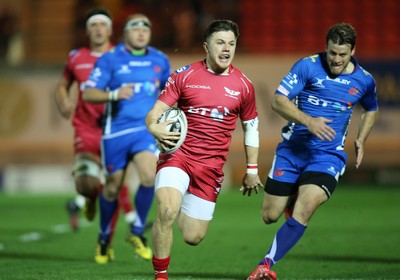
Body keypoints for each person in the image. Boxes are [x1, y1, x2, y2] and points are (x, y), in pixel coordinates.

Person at [247, 22, 379, 280]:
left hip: (327, 157)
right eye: (332, 53)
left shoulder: (364, 80)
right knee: (269, 216)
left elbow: (371, 108)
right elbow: (277, 101)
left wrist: (362, 138)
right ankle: (292, 196)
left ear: (353, 50)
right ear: (326, 48)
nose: (336, 59)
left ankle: (265, 265)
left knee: (305, 209)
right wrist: (309, 121)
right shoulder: (306, 66)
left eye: (342, 54)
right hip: (292, 151)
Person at [145, 19, 263, 280]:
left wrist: (251, 169)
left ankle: (178, 204)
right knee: (166, 210)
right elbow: (155, 112)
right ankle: (161, 274)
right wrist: (153, 128)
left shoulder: (244, 86)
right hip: (178, 156)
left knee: (192, 236)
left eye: (231, 44)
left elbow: (251, 128)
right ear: (206, 47)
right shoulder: (184, 75)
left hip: (210, 167)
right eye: (220, 42)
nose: (226, 49)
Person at [83, 13, 172, 264]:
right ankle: (104, 239)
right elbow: (88, 93)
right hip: (115, 133)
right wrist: (113, 95)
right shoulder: (110, 59)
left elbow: (171, 92)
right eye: (135, 28)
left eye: (146, 28)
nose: (141, 32)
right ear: (125, 33)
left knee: (148, 175)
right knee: (112, 187)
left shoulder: (160, 59)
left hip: (145, 130)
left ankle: (136, 231)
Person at [55, 7, 136, 242]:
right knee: (85, 184)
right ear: (88, 30)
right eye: (93, 25)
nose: (98, 29)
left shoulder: (122, 57)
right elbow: (62, 85)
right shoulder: (76, 57)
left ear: (110, 30)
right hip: (86, 127)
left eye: (102, 25)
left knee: (116, 179)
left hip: (114, 127)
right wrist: (63, 102)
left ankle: (110, 236)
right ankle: (86, 198)